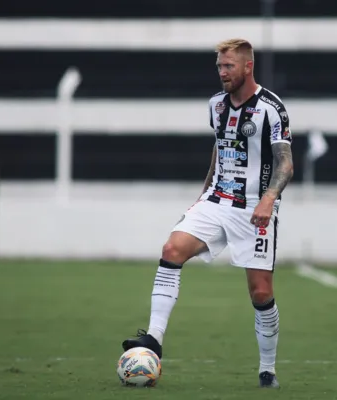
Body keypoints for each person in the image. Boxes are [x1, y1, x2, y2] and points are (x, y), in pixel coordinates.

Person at [122, 38, 294, 388]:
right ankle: (153, 339)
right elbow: (219, 150)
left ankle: (267, 369)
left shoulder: (272, 108)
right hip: (216, 202)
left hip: (254, 210)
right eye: (219, 66)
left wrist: (269, 197)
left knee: (261, 293)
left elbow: (286, 163)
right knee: (171, 250)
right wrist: (200, 198)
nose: (222, 72)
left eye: (228, 66)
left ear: (248, 66)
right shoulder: (216, 105)